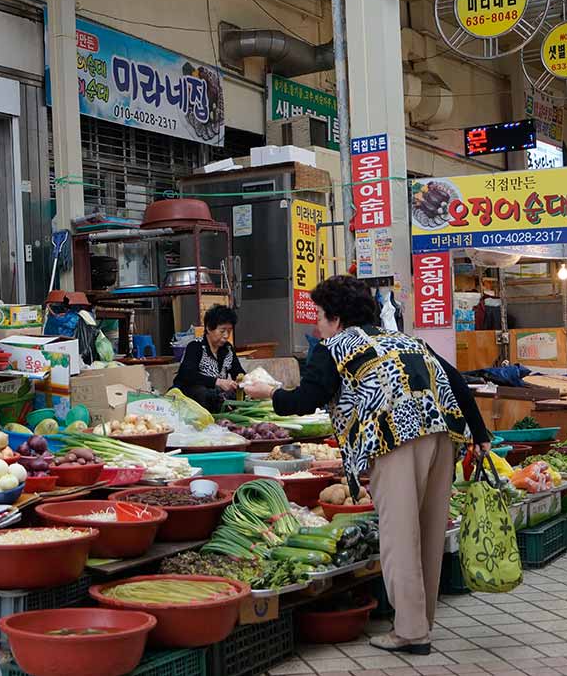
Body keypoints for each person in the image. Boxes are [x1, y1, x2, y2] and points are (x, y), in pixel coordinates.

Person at [244, 275, 490, 655]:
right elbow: (455, 381)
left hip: (396, 438)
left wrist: (271, 393)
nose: (317, 326)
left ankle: (410, 632)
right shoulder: (405, 340)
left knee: (399, 535)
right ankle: (420, 622)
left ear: (336, 318)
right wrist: (481, 434)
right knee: (428, 531)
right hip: (442, 435)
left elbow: (306, 400)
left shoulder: (334, 347)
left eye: (320, 316)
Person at [172, 305, 246, 412]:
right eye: (222, 331)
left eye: (229, 331)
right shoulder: (195, 346)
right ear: (209, 328)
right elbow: (187, 374)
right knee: (202, 393)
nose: (226, 335)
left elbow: (238, 372)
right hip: (193, 398)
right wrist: (218, 382)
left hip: (217, 396)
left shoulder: (228, 349)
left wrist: (248, 381)